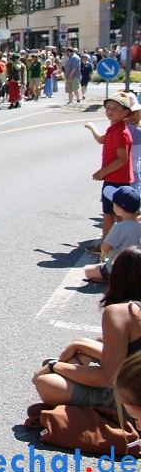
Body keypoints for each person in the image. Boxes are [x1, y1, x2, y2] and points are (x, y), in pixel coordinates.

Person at [33, 246, 141, 410]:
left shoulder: (121, 312)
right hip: (134, 382)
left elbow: (109, 377)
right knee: (89, 347)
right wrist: (80, 344)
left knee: (46, 382)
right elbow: (129, 358)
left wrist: (55, 366)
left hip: (132, 402)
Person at [89, 93, 136, 241]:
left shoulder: (121, 132)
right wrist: (91, 128)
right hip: (115, 177)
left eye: (116, 108)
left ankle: (106, 244)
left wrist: (102, 172)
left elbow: (122, 159)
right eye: (108, 107)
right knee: (117, 213)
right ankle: (118, 243)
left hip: (117, 179)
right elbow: (102, 140)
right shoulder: (114, 128)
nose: (110, 111)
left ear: (126, 112)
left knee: (109, 213)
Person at [83, 186, 141, 282]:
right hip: (136, 268)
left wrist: (103, 254)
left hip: (116, 267)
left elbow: (106, 246)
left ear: (118, 208)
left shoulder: (119, 227)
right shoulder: (139, 225)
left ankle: (111, 278)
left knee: (87, 271)